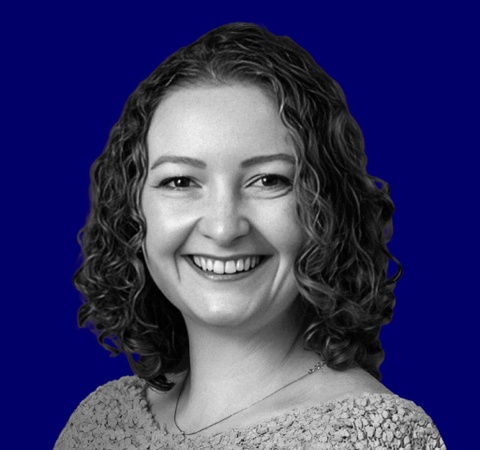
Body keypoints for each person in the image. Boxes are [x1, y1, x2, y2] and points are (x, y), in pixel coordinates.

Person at [55, 22, 445, 449]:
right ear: (132, 212)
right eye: (182, 182)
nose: (224, 228)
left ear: (326, 208)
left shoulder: (377, 438)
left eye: (268, 180)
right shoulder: (97, 424)